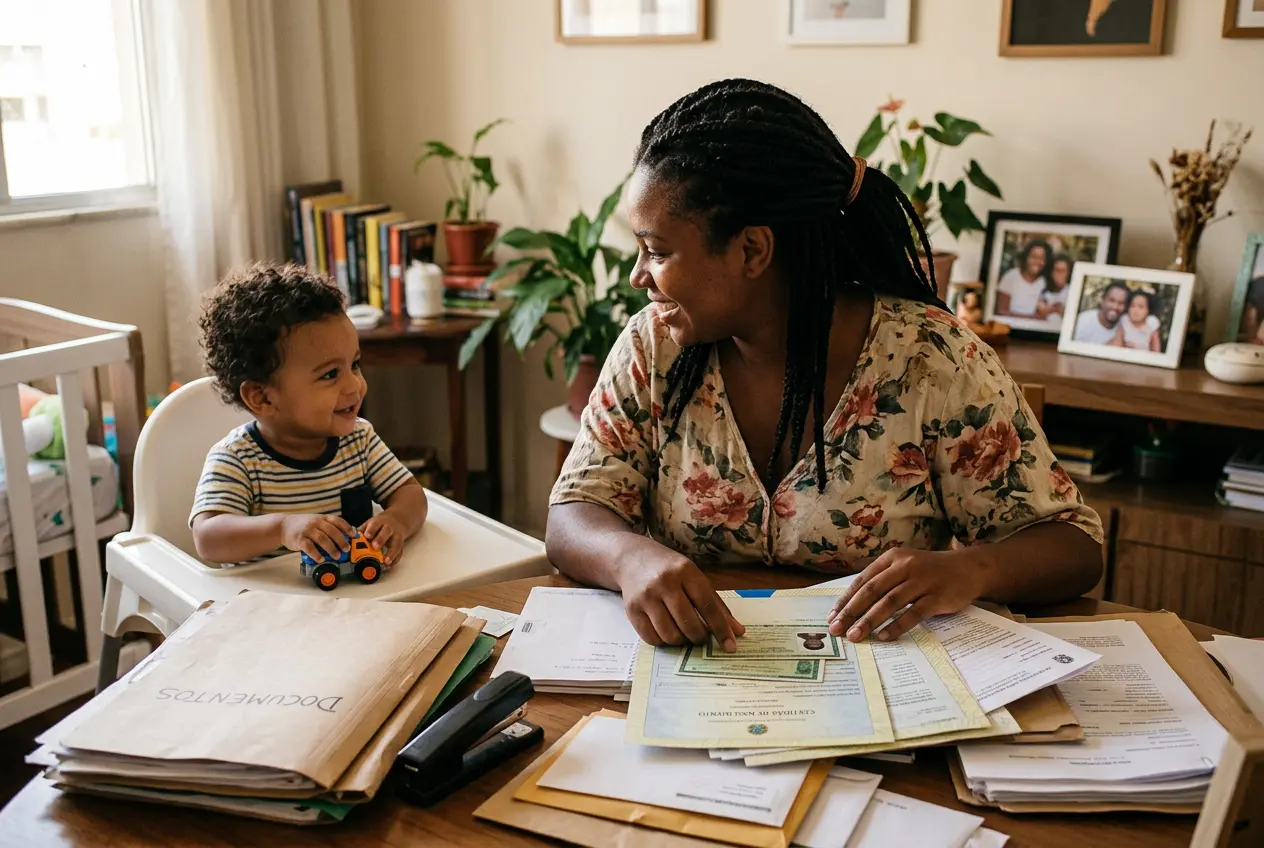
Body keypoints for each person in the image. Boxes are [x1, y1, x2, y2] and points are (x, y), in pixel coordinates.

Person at [545, 79, 1103, 653]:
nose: (638, 275)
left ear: (752, 251)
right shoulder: (653, 347)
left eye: (658, 251)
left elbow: (1074, 548)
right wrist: (628, 556)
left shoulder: (932, 360)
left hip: (885, 684)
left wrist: (971, 570)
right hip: (697, 675)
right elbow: (573, 514)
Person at [190, 263, 427, 566]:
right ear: (262, 397)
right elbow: (208, 538)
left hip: (360, 590)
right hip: (266, 595)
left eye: (354, 365)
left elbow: (410, 494)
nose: (355, 385)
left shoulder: (359, 440)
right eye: (330, 374)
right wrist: (282, 528)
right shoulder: (238, 459)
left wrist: (397, 521)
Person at [994, 239, 1051, 317]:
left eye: (1041, 258)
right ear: (1026, 257)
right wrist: (1028, 318)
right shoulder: (1011, 276)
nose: (1037, 262)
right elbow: (1001, 311)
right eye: (1034, 257)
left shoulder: (1044, 282)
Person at [1073, 280, 1129, 344]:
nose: (1115, 307)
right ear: (1102, 300)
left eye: (1121, 303)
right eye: (1112, 300)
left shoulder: (1125, 326)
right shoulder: (1080, 322)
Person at [1035, 254, 1073, 323]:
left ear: (1068, 273)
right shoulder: (1043, 290)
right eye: (1057, 270)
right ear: (1052, 272)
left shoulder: (1072, 292)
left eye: (1063, 271)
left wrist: (1050, 309)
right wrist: (1056, 308)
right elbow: (1041, 311)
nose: (1060, 274)